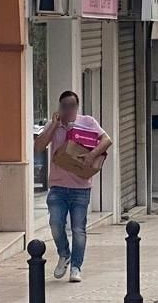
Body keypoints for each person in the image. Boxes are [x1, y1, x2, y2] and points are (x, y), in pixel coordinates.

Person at [35, 91, 112, 282]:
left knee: (78, 229)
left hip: (81, 187)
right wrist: (54, 125)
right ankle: (64, 254)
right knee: (55, 224)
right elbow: (38, 146)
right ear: (60, 107)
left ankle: (76, 267)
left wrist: (92, 155)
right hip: (58, 187)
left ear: (77, 107)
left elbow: (106, 140)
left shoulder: (87, 122)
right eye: (65, 106)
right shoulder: (55, 126)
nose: (68, 109)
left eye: (72, 106)